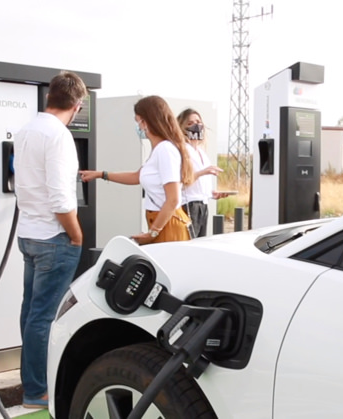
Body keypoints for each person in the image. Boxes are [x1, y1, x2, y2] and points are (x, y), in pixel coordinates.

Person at [13, 70, 87, 409]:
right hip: (54, 238)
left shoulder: (27, 129)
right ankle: (37, 391)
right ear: (77, 105)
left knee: (31, 313)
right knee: (43, 317)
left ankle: (31, 382)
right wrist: (76, 234)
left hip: (28, 234)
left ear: (49, 97)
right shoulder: (59, 136)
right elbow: (61, 198)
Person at [79, 95, 194, 244]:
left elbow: (173, 199)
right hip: (160, 222)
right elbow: (136, 176)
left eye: (138, 121)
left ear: (146, 122)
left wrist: (153, 232)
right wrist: (101, 174)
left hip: (167, 224)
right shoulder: (158, 150)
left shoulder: (165, 150)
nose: (138, 127)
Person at [176, 108, 230, 237]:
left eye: (198, 122)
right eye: (190, 123)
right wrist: (203, 172)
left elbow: (198, 185)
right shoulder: (181, 151)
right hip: (189, 205)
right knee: (189, 244)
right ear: (181, 128)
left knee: (200, 243)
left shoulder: (201, 152)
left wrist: (212, 194)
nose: (196, 126)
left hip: (203, 205)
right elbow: (181, 181)